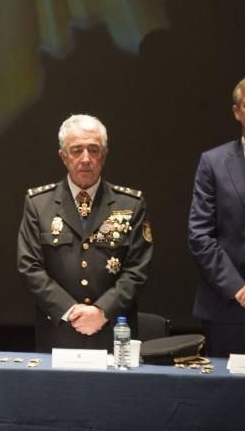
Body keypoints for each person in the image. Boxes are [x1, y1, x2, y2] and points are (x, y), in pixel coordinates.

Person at [17, 114, 153, 351]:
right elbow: (30, 267)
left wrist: (102, 311)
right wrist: (70, 311)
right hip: (59, 330)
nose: (86, 158)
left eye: (93, 149)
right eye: (76, 150)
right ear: (63, 157)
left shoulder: (130, 203)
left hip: (113, 331)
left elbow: (137, 270)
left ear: (105, 154)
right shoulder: (39, 204)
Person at [189, 73, 245, 357]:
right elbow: (200, 236)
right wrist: (241, 290)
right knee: (226, 399)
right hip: (225, 309)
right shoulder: (212, 162)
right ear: (237, 112)